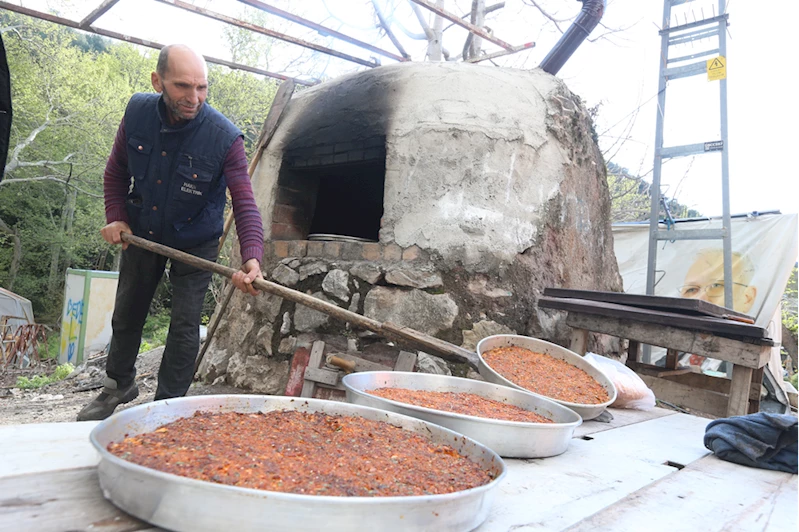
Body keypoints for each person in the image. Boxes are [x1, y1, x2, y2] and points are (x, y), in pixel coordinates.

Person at [77, 44, 264, 421]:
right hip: (142, 230)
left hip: (196, 241)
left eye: (202, 87)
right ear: (157, 81)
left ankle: (168, 407)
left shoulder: (225, 138)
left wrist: (252, 257)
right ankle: (118, 385)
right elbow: (116, 172)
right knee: (127, 312)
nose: (194, 97)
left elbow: (244, 202)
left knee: (184, 325)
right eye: (182, 86)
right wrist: (116, 217)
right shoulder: (137, 112)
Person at [676, 248, 758, 369]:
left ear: (747, 298)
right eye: (691, 289)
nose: (700, 299)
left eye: (716, 285)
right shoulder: (666, 359)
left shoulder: (751, 369)